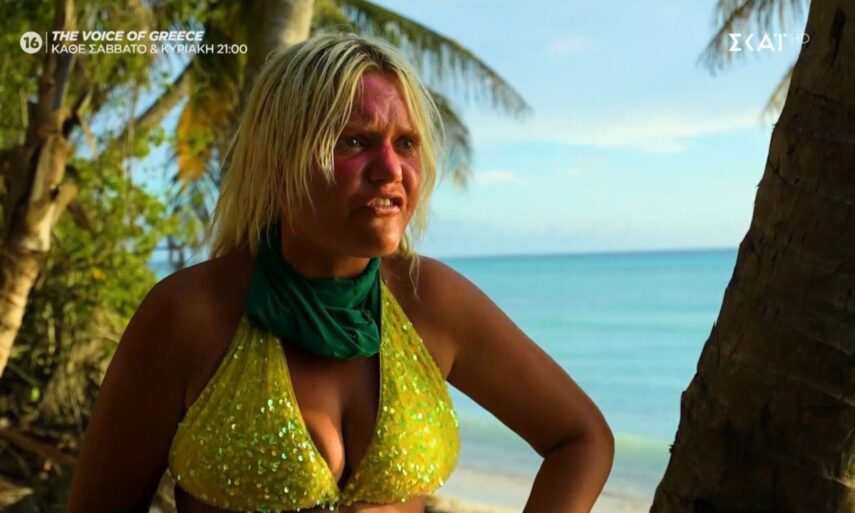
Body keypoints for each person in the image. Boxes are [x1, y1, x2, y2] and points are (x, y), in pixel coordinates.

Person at [67, 33, 614, 513]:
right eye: (355, 141)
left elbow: (580, 439)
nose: (391, 169)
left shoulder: (430, 300)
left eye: (406, 144)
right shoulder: (189, 315)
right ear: (280, 158)